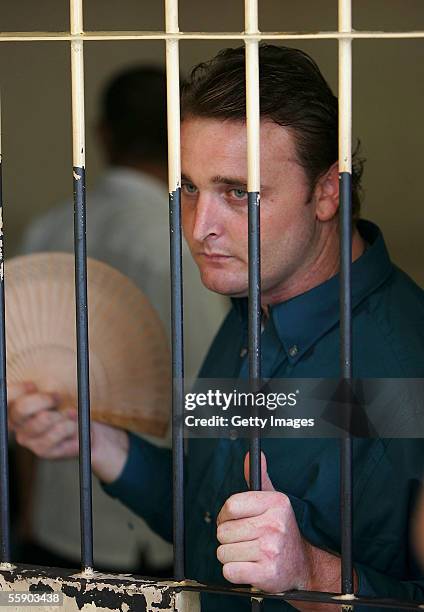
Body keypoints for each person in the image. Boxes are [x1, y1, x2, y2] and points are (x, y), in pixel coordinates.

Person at [8, 45, 424, 611]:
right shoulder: (248, 307)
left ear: (328, 191)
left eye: (237, 193)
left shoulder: (408, 363)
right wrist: (99, 443)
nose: (199, 226)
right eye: (188, 187)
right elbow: (207, 521)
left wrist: (314, 574)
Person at [13, 66, 228, 575]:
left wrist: (27, 509)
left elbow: (16, 387)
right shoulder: (186, 241)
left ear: (103, 133)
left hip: (56, 519)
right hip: (148, 529)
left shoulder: (51, 225)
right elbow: (207, 395)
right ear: (182, 139)